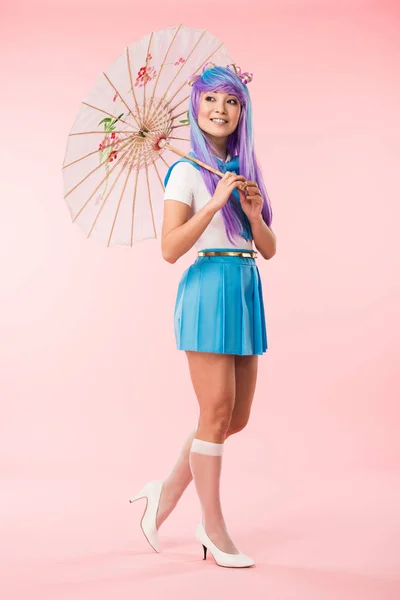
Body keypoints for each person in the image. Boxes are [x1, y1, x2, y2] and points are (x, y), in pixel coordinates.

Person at [130, 63, 276, 568]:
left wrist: (254, 215)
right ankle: (212, 527)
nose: (221, 110)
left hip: (244, 287)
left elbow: (270, 250)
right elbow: (170, 249)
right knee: (215, 415)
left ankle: (164, 490)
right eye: (211, 100)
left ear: (242, 111)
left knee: (234, 417)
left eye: (231, 101)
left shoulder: (244, 170)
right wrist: (213, 205)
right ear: (197, 108)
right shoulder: (186, 172)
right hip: (209, 288)